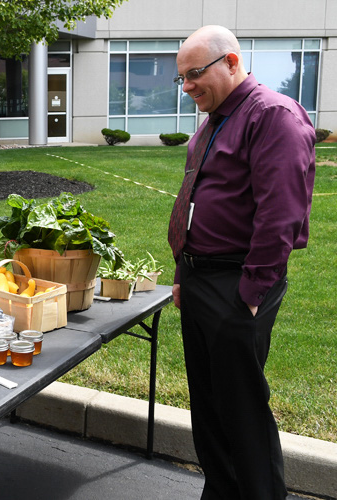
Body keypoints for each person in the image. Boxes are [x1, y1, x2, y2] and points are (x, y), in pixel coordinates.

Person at [167, 25, 315, 499]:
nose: (187, 86)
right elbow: (195, 199)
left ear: (231, 62)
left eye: (194, 74)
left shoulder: (272, 116)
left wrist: (249, 299)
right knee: (209, 410)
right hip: (199, 280)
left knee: (242, 413)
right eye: (182, 79)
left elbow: (282, 215)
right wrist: (181, 272)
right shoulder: (216, 120)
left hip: (237, 284)